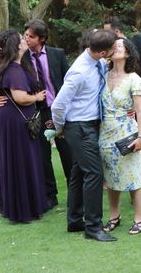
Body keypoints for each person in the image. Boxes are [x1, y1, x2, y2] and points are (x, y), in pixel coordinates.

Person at [0, 20, 71, 210]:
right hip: (37, 114)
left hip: (58, 111)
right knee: (42, 157)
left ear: (41, 39)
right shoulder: (20, 58)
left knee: (67, 152)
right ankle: (49, 196)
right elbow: (5, 81)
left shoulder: (57, 54)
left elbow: (69, 82)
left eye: (31, 36)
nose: (26, 38)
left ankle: (75, 193)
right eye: (25, 35)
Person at [51, 28, 118, 242]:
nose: (115, 51)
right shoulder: (79, 71)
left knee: (79, 172)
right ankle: (93, 227)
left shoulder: (97, 62)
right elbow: (58, 105)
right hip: (79, 126)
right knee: (94, 174)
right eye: (112, 49)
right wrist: (60, 128)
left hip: (89, 124)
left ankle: (74, 220)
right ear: (101, 52)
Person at [0, 29, 49, 223]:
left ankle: (18, 205)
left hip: (9, 120)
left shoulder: (8, 66)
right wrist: (37, 97)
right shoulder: (14, 69)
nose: (25, 41)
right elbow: (20, 97)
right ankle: (23, 207)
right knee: (21, 162)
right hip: (16, 122)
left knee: (16, 162)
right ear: (15, 47)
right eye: (21, 40)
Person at [99, 38, 141, 235]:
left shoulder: (134, 78)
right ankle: (114, 216)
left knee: (133, 177)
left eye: (119, 46)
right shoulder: (102, 74)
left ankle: (138, 217)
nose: (115, 48)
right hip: (105, 133)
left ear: (127, 53)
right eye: (113, 46)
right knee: (111, 178)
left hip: (127, 134)